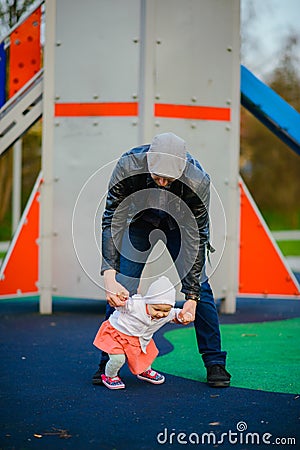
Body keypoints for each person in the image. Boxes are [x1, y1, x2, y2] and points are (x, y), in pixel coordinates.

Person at [93, 132, 231, 388]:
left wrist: (190, 298)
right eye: (158, 176)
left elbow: (196, 236)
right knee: (123, 285)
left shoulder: (197, 180)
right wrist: (109, 275)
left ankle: (214, 362)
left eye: (170, 178)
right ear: (148, 162)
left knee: (201, 288)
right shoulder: (128, 165)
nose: (164, 182)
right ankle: (107, 361)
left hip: (181, 225)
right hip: (141, 221)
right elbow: (113, 218)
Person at [93, 276, 189, 390]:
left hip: (139, 339)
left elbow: (176, 313)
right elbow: (121, 305)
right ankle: (109, 376)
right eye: (157, 309)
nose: (161, 314)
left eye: (165, 311)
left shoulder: (167, 313)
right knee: (118, 359)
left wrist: (184, 315)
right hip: (117, 335)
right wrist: (120, 299)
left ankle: (144, 371)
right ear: (148, 302)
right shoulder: (136, 305)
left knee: (147, 354)